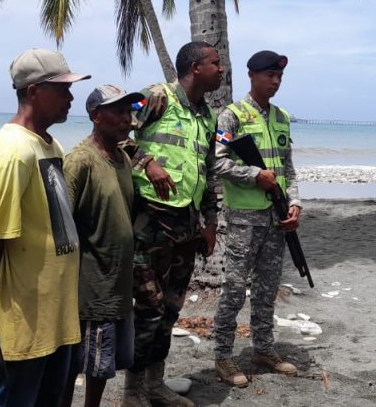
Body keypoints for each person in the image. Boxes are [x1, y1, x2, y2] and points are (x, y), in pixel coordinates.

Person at [0, 48, 90, 407]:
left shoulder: (49, 143)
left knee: (50, 397)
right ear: (33, 91)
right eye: (62, 89)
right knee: (15, 397)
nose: (71, 98)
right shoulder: (13, 151)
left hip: (55, 306)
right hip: (25, 310)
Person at [122, 41, 224, 407]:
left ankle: (155, 385)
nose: (222, 69)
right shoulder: (155, 96)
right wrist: (145, 161)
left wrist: (210, 221)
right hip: (149, 223)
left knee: (170, 309)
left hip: (187, 226)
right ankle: (132, 392)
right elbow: (114, 128)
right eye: (216, 63)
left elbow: (209, 171)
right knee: (147, 309)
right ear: (196, 68)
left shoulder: (207, 116)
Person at [212, 50, 301, 387]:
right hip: (245, 218)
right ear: (252, 76)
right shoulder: (231, 117)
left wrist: (295, 204)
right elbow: (218, 163)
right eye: (269, 76)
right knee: (234, 289)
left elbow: (288, 168)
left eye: (279, 77)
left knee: (267, 288)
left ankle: (264, 348)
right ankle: (223, 356)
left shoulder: (281, 117)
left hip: (276, 216)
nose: (275, 82)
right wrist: (253, 175)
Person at [60, 85, 144, 407]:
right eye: (118, 112)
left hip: (119, 283)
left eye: (128, 111)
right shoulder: (81, 161)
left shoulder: (122, 157)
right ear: (96, 116)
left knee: (103, 366)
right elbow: (62, 224)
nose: (127, 119)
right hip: (92, 286)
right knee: (81, 362)